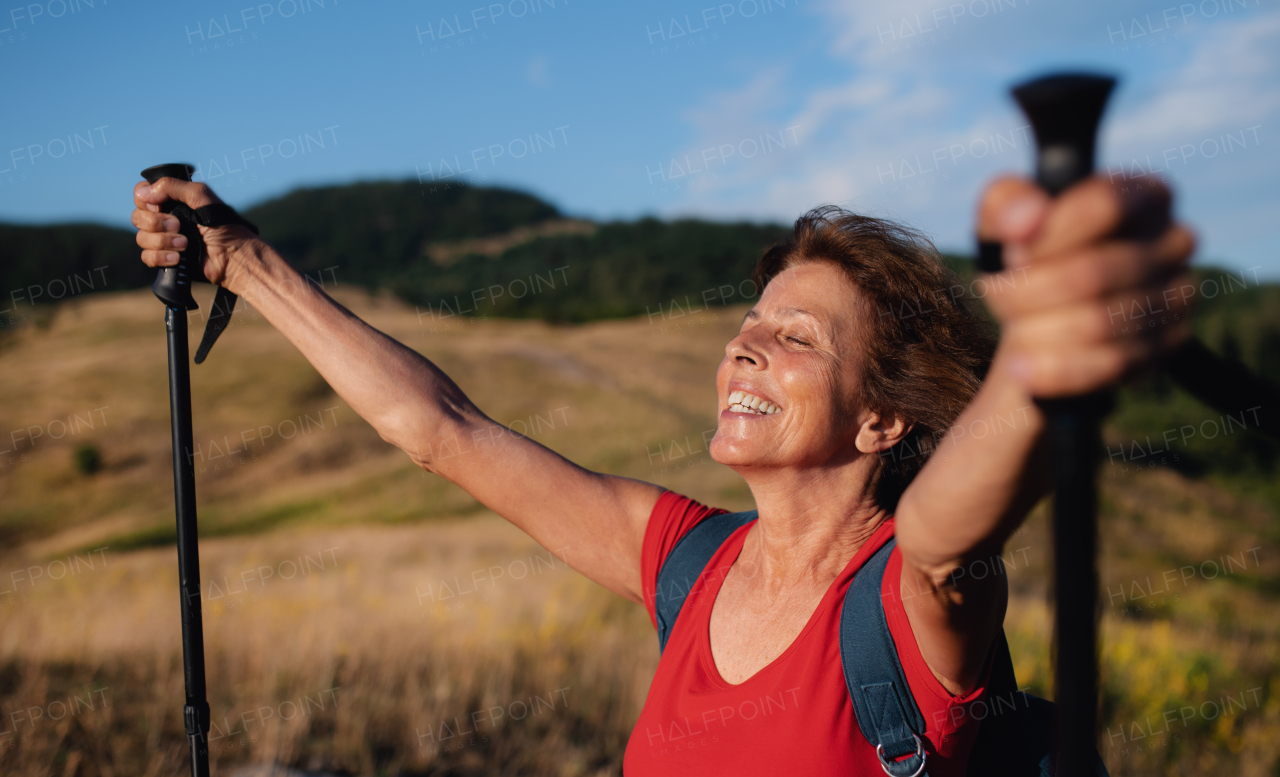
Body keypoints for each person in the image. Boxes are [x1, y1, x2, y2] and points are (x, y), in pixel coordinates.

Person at [132, 173, 1194, 774]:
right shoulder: (686, 558)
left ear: (880, 418)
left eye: (796, 339)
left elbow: (952, 527)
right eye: (746, 325)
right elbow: (440, 430)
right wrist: (248, 266)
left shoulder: (906, 599)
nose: (743, 348)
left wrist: (1038, 362)